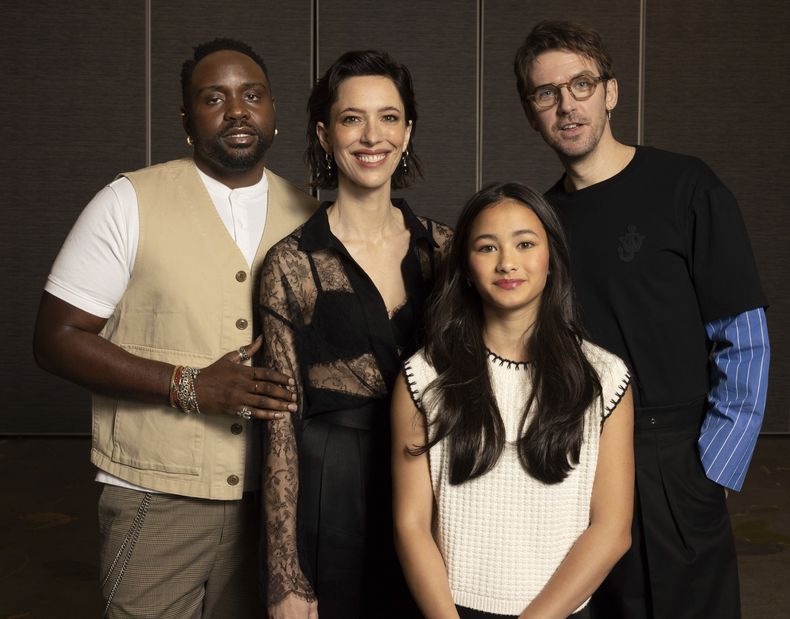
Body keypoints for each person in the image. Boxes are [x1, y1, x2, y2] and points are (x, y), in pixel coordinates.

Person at [32, 38, 317, 618]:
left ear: (273, 112)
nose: (237, 111)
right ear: (187, 119)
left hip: (276, 506)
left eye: (252, 95)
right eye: (215, 98)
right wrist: (188, 385)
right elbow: (54, 339)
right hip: (156, 498)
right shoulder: (127, 201)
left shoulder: (313, 216)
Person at [513, 20, 770, 619]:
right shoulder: (540, 222)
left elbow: (745, 336)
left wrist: (710, 471)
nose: (566, 105)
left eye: (580, 84)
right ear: (531, 112)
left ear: (611, 92)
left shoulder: (686, 185)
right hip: (577, 454)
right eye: (545, 93)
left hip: (674, 455)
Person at [260, 50, 452, 619]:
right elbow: (278, 426)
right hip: (332, 492)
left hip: (436, 485)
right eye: (352, 118)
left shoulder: (446, 248)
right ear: (324, 134)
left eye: (389, 117)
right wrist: (283, 575)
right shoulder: (290, 263)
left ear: (408, 130)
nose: (373, 136)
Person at [392, 182, 634, 619]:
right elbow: (411, 525)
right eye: (487, 248)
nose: (508, 263)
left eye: (525, 244)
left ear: (551, 260)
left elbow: (612, 531)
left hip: (562, 611)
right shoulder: (424, 375)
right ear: (465, 266)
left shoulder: (605, 377)